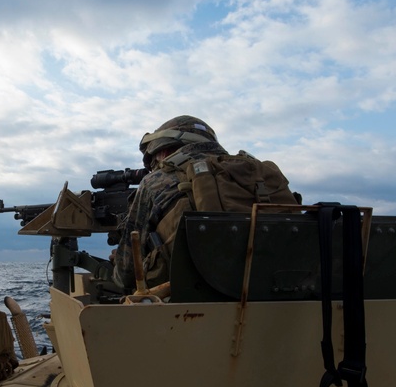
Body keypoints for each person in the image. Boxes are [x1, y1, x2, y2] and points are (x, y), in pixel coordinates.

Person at [112, 115, 298, 292]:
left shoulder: (156, 180)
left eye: (154, 160)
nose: (155, 166)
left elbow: (126, 273)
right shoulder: (256, 174)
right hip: (282, 291)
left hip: (185, 307)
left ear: (164, 150)